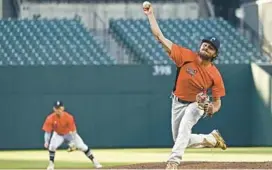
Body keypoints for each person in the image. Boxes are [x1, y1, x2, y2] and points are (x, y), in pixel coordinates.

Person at [143, 2, 227, 169]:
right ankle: (211, 139)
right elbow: (160, 37)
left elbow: (217, 103)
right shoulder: (186, 56)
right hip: (177, 102)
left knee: (186, 124)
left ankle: (173, 161)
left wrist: (211, 108)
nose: (206, 47)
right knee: (180, 138)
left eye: (210, 47)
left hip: (197, 104)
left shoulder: (215, 75)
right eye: (205, 44)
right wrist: (150, 15)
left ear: (214, 54)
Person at [42, 101, 102, 170]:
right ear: (54, 109)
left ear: (63, 108)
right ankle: (51, 164)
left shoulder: (69, 117)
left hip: (69, 134)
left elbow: (73, 131)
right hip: (58, 134)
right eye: (56, 108)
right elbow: (47, 132)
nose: (58, 110)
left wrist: (73, 142)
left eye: (60, 108)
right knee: (52, 146)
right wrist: (46, 141)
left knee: (83, 147)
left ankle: (95, 161)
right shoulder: (50, 118)